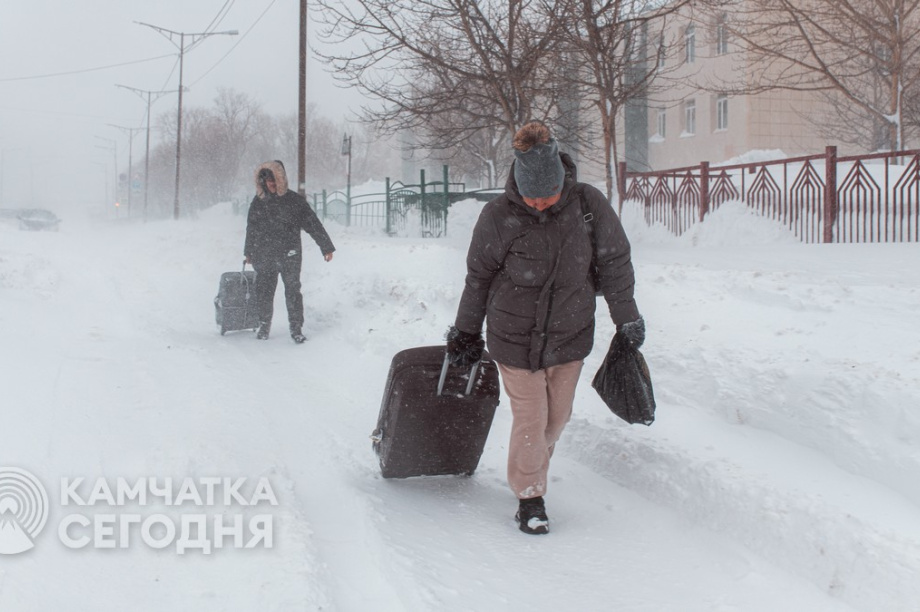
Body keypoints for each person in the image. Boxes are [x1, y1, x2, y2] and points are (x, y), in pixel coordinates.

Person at [446, 121, 645, 535]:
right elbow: (478, 278)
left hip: (570, 335)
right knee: (532, 418)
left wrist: (627, 319)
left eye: (547, 196)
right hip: (513, 337)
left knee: (556, 419)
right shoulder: (498, 215)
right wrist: (466, 331)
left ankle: (530, 465)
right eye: (530, 197)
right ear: (518, 185)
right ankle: (530, 496)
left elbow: (614, 263)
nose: (538, 204)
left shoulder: (588, 205)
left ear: (562, 181)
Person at [244, 160, 335, 343]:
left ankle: (296, 329)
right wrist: (249, 252)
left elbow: (313, 224)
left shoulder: (294, 201)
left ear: (281, 179)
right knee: (264, 291)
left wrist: (325, 246)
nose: (271, 184)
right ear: (263, 181)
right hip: (265, 254)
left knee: (293, 291)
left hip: (289, 254)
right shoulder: (258, 202)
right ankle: (264, 325)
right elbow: (251, 228)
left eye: (274, 180)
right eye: (267, 180)